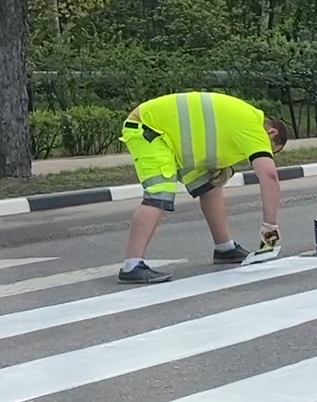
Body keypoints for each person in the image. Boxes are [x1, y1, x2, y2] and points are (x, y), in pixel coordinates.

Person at [116, 91, 290, 284]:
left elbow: (213, 137)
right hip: (148, 129)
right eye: (272, 149)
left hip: (167, 136)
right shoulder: (255, 128)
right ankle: (132, 264)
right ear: (272, 133)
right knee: (159, 193)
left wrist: (224, 167)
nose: (266, 152)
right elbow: (269, 175)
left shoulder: (245, 118)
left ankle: (225, 248)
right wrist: (270, 229)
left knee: (209, 185)